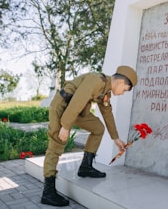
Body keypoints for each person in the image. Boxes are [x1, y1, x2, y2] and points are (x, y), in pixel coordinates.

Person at [41, 65, 138, 206]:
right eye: (124, 90)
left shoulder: (106, 90)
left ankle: (85, 167)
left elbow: (107, 113)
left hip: (78, 111)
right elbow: (78, 101)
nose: (122, 93)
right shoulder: (96, 80)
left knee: (98, 128)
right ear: (120, 83)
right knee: (56, 144)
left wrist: (115, 138)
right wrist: (65, 126)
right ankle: (48, 192)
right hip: (63, 107)